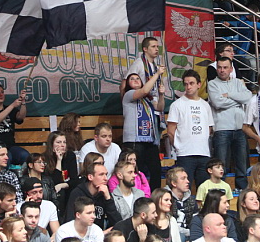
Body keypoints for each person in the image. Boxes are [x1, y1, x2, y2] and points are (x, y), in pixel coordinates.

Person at [206, 56, 251, 191]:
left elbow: (248, 97)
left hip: (239, 128)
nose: (222, 70)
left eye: (225, 67)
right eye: (219, 67)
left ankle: (242, 189)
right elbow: (217, 103)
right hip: (221, 129)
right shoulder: (212, 84)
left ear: (231, 69)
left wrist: (229, 95)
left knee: (242, 162)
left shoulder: (238, 82)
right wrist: (238, 99)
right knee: (221, 163)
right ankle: (221, 189)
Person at [121, 61, 165, 191]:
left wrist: (161, 95)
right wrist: (157, 73)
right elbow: (145, 90)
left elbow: (160, 107)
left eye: (137, 78)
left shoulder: (148, 99)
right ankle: (136, 194)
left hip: (149, 140)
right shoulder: (128, 95)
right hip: (134, 140)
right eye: (132, 79)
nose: (135, 80)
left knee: (156, 170)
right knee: (135, 170)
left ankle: (155, 195)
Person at [167, 70, 214, 188]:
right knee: (183, 188)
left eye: (191, 83)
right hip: (185, 154)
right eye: (186, 84)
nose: (188, 87)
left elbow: (209, 129)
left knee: (204, 189)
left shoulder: (205, 105)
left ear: (199, 84)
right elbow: (171, 131)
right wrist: (178, 147)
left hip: (203, 153)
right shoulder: (177, 105)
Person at [64, 160, 120, 228]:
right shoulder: (77, 193)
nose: (106, 178)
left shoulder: (105, 192)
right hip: (80, 233)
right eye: (101, 174)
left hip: (99, 233)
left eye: (106, 174)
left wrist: (108, 198)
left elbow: (117, 223)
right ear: (90, 177)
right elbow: (69, 221)